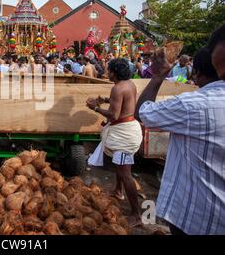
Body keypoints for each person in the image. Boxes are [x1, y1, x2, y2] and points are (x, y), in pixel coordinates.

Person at [135, 24, 225, 235]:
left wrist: (157, 77)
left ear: (196, 72)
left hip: (198, 219)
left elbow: (143, 112)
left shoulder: (192, 105)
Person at [86, 58, 143, 227]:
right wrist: (104, 99)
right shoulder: (130, 84)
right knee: (120, 166)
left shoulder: (117, 88)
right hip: (127, 129)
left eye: (108, 70)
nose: (106, 72)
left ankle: (137, 214)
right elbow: (123, 103)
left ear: (114, 73)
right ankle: (118, 192)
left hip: (124, 133)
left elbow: (113, 115)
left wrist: (94, 108)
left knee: (126, 174)